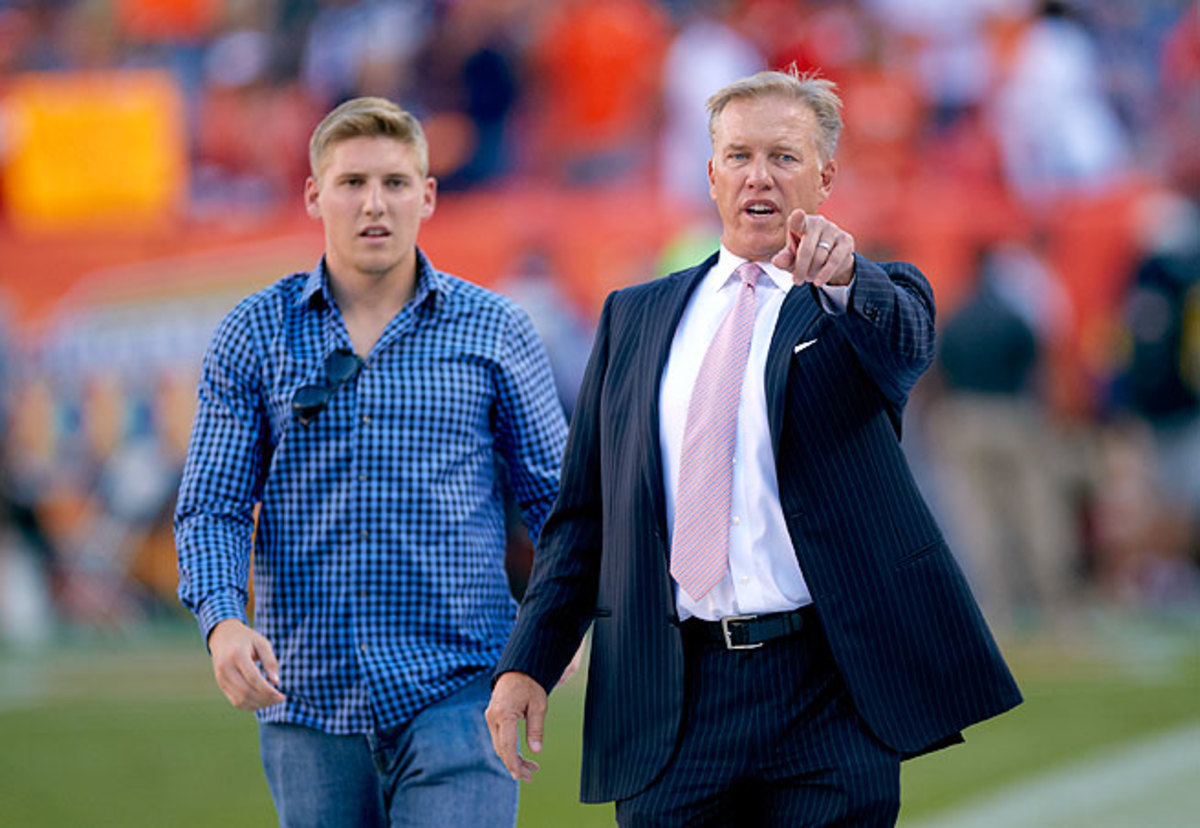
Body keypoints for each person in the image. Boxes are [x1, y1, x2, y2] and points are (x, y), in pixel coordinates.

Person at [486, 69, 1021, 827]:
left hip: (825, 692)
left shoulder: (856, 304)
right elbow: (584, 520)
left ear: (825, 175)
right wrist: (528, 662)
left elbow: (906, 343)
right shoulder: (633, 318)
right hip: (672, 698)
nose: (758, 177)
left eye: (784, 157)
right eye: (738, 156)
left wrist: (844, 278)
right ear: (711, 174)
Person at [175, 97, 567, 828]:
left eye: (394, 182)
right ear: (314, 194)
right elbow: (214, 505)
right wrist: (223, 619)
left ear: (428, 195)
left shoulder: (496, 329)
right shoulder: (255, 333)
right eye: (353, 182)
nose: (374, 203)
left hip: (461, 686)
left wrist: (566, 620)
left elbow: (558, 500)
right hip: (307, 694)